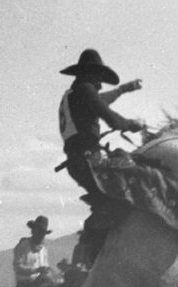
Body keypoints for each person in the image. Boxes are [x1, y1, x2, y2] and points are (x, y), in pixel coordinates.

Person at [57, 49, 144, 265]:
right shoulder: (85, 90)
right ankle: (96, 249)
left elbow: (103, 99)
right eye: (99, 79)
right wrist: (133, 124)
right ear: (91, 74)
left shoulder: (74, 94)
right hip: (89, 160)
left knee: (106, 203)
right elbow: (110, 117)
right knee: (128, 195)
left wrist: (124, 89)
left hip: (78, 162)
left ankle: (97, 250)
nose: (100, 84)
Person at [13, 216, 53, 287]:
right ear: (33, 231)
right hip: (25, 284)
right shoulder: (23, 246)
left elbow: (45, 265)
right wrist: (36, 270)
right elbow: (17, 267)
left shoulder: (44, 248)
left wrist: (47, 270)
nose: (41, 235)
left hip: (41, 283)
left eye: (43, 233)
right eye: (39, 232)